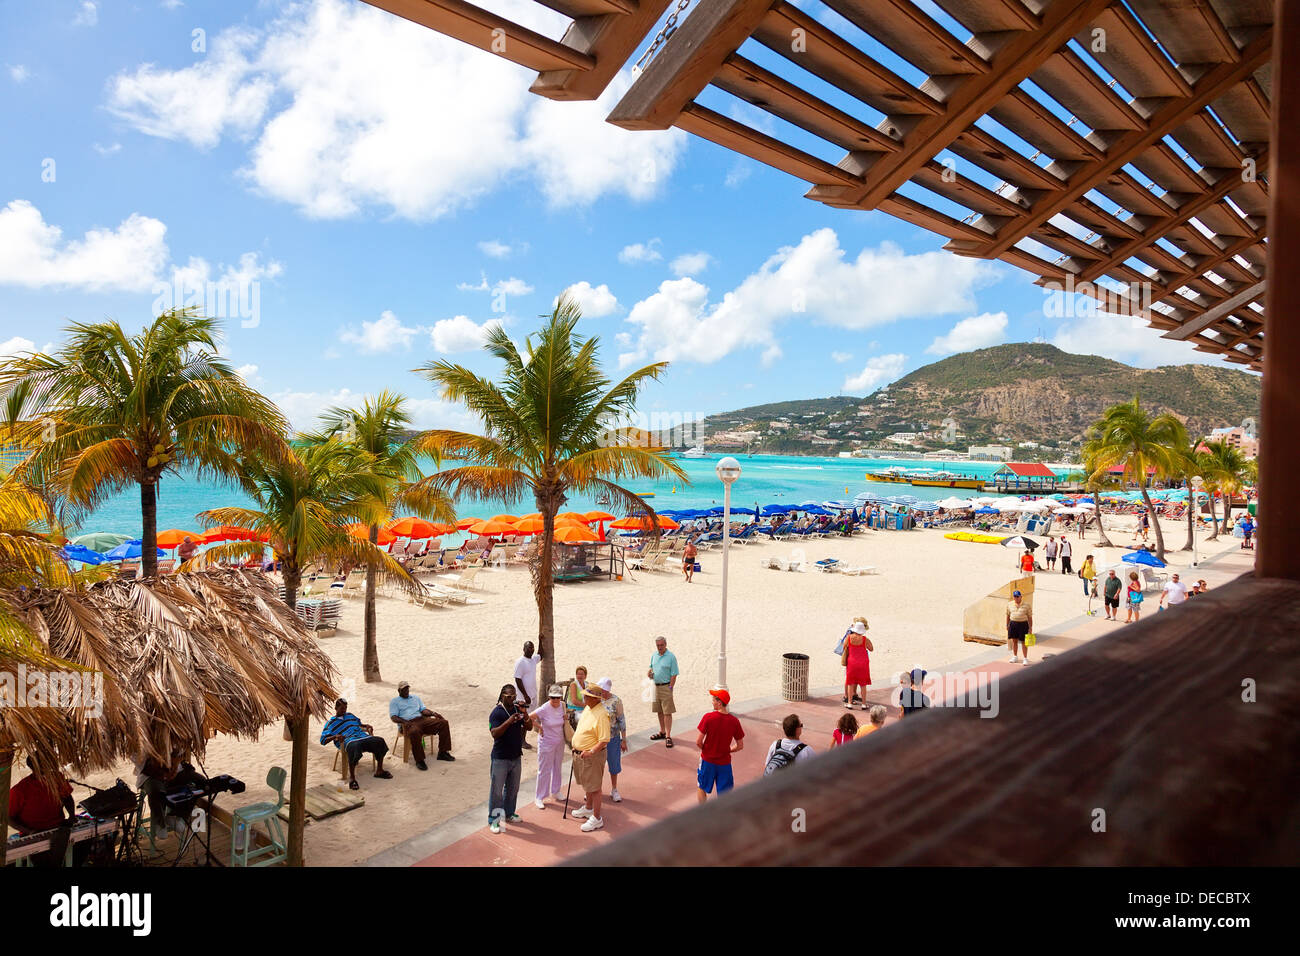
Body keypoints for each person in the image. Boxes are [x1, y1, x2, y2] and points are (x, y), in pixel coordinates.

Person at [8, 757, 79, 866]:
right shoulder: (20, 790)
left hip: (59, 828)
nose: (47, 767)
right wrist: (29, 831)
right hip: (34, 833)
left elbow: (67, 798)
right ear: (33, 767)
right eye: (42, 765)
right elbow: (8, 818)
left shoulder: (57, 778)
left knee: (83, 844)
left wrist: (71, 816)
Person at [487, 684, 532, 833]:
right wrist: (509, 721)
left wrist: (524, 713)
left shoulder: (516, 709)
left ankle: (510, 813)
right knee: (497, 792)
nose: (512, 699)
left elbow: (530, 727)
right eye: (509, 696)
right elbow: (494, 733)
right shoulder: (497, 713)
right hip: (500, 758)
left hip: (515, 757)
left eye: (514, 696)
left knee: (513, 789)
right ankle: (494, 821)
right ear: (502, 696)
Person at [320, 697, 392, 790]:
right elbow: (323, 740)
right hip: (349, 740)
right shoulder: (331, 723)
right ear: (336, 708)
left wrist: (366, 726)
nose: (344, 710)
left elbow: (360, 725)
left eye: (345, 708)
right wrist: (335, 736)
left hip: (362, 736)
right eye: (342, 708)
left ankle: (379, 770)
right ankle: (352, 778)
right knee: (355, 746)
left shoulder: (350, 715)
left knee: (379, 741)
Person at [570, 683, 610, 832]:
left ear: (595, 699)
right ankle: (588, 808)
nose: (584, 698)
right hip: (581, 753)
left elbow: (604, 739)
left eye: (587, 696)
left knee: (595, 787)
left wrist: (591, 751)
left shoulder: (602, 715)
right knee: (587, 783)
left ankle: (597, 818)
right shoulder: (588, 707)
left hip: (592, 756)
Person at [389, 680, 454, 770]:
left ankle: (443, 753)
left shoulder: (415, 698)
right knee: (414, 732)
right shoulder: (394, 701)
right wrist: (405, 722)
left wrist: (433, 713)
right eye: (404, 689)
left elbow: (423, 710)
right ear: (399, 691)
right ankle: (419, 760)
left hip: (421, 720)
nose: (406, 691)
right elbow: (393, 717)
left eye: (407, 688)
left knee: (443, 723)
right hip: (407, 724)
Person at [696, 688, 744, 802]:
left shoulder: (708, 717)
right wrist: (728, 750)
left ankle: (703, 814)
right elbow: (740, 745)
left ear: (719, 702)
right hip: (724, 762)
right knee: (725, 794)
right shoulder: (734, 721)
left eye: (713, 700)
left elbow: (698, 742)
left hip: (708, 760)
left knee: (702, 787)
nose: (712, 702)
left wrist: (707, 750)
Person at [530, 684, 567, 809]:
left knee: (557, 767)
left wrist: (566, 718)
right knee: (544, 770)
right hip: (546, 743)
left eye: (557, 697)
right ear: (549, 697)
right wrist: (539, 727)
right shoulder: (544, 708)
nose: (555, 700)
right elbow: (529, 717)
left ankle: (556, 791)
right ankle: (539, 796)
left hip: (559, 742)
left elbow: (564, 720)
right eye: (553, 697)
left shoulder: (563, 705)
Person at [594, 677, 627, 803]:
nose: (604, 692)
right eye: (602, 690)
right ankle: (595, 789)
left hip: (612, 738)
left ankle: (614, 789)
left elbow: (622, 721)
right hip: (598, 738)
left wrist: (623, 740)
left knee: (614, 764)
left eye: (605, 690)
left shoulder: (616, 701)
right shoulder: (596, 700)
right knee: (597, 766)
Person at [647, 635, 679, 748]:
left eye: (661, 645)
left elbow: (674, 674)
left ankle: (668, 736)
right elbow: (651, 668)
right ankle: (662, 732)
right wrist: (649, 674)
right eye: (658, 645)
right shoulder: (654, 655)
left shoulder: (671, 657)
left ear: (665, 644)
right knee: (659, 711)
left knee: (667, 712)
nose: (659, 647)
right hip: (655, 686)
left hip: (666, 687)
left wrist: (670, 687)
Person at [513, 641, 541, 751]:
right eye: (529, 648)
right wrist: (525, 695)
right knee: (522, 719)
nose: (531, 650)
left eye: (532, 648)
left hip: (532, 694)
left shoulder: (533, 659)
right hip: (523, 697)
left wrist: (541, 640)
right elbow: (517, 679)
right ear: (524, 649)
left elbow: (541, 654)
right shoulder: (520, 662)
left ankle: (522, 739)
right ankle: (521, 741)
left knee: (528, 718)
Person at [841, 620, 873, 710]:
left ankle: (850, 703)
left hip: (852, 663)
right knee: (863, 685)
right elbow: (871, 649)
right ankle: (863, 704)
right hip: (863, 663)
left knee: (850, 683)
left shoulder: (849, 637)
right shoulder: (865, 639)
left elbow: (843, 647)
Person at [1006, 588, 1032, 665]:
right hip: (1013, 624)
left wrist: (1030, 627)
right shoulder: (1009, 604)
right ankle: (1015, 656)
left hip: (1023, 624)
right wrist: (1007, 624)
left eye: (1017, 596)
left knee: (1024, 642)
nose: (1016, 598)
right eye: (1015, 596)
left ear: (1021, 597)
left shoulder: (1027, 605)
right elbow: (1007, 615)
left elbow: (1030, 617)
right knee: (1014, 641)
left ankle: (1025, 658)